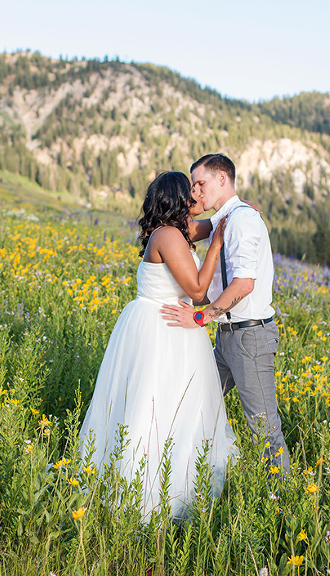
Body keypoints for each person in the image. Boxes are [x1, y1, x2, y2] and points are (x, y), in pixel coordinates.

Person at [79, 171, 237, 521]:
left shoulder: (167, 231)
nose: (195, 194)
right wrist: (217, 246)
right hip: (163, 331)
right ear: (177, 198)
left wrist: (235, 211)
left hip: (159, 325)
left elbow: (207, 224)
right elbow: (197, 292)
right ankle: (150, 498)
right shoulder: (168, 236)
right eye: (190, 191)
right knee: (157, 408)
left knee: (161, 407)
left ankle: (164, 489)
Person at [161, 154, 289, 477]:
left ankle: (286, 497)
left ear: (222, 180)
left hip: (250, 338)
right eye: (192, 185)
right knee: (194, 400)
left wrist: (201, 317)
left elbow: (244, 284)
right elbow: (185, 231)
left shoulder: (241, 220)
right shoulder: (224, 218)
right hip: (227, 338)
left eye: (200, 184)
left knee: (263, 427)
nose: (195, 192)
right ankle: (186, 473)